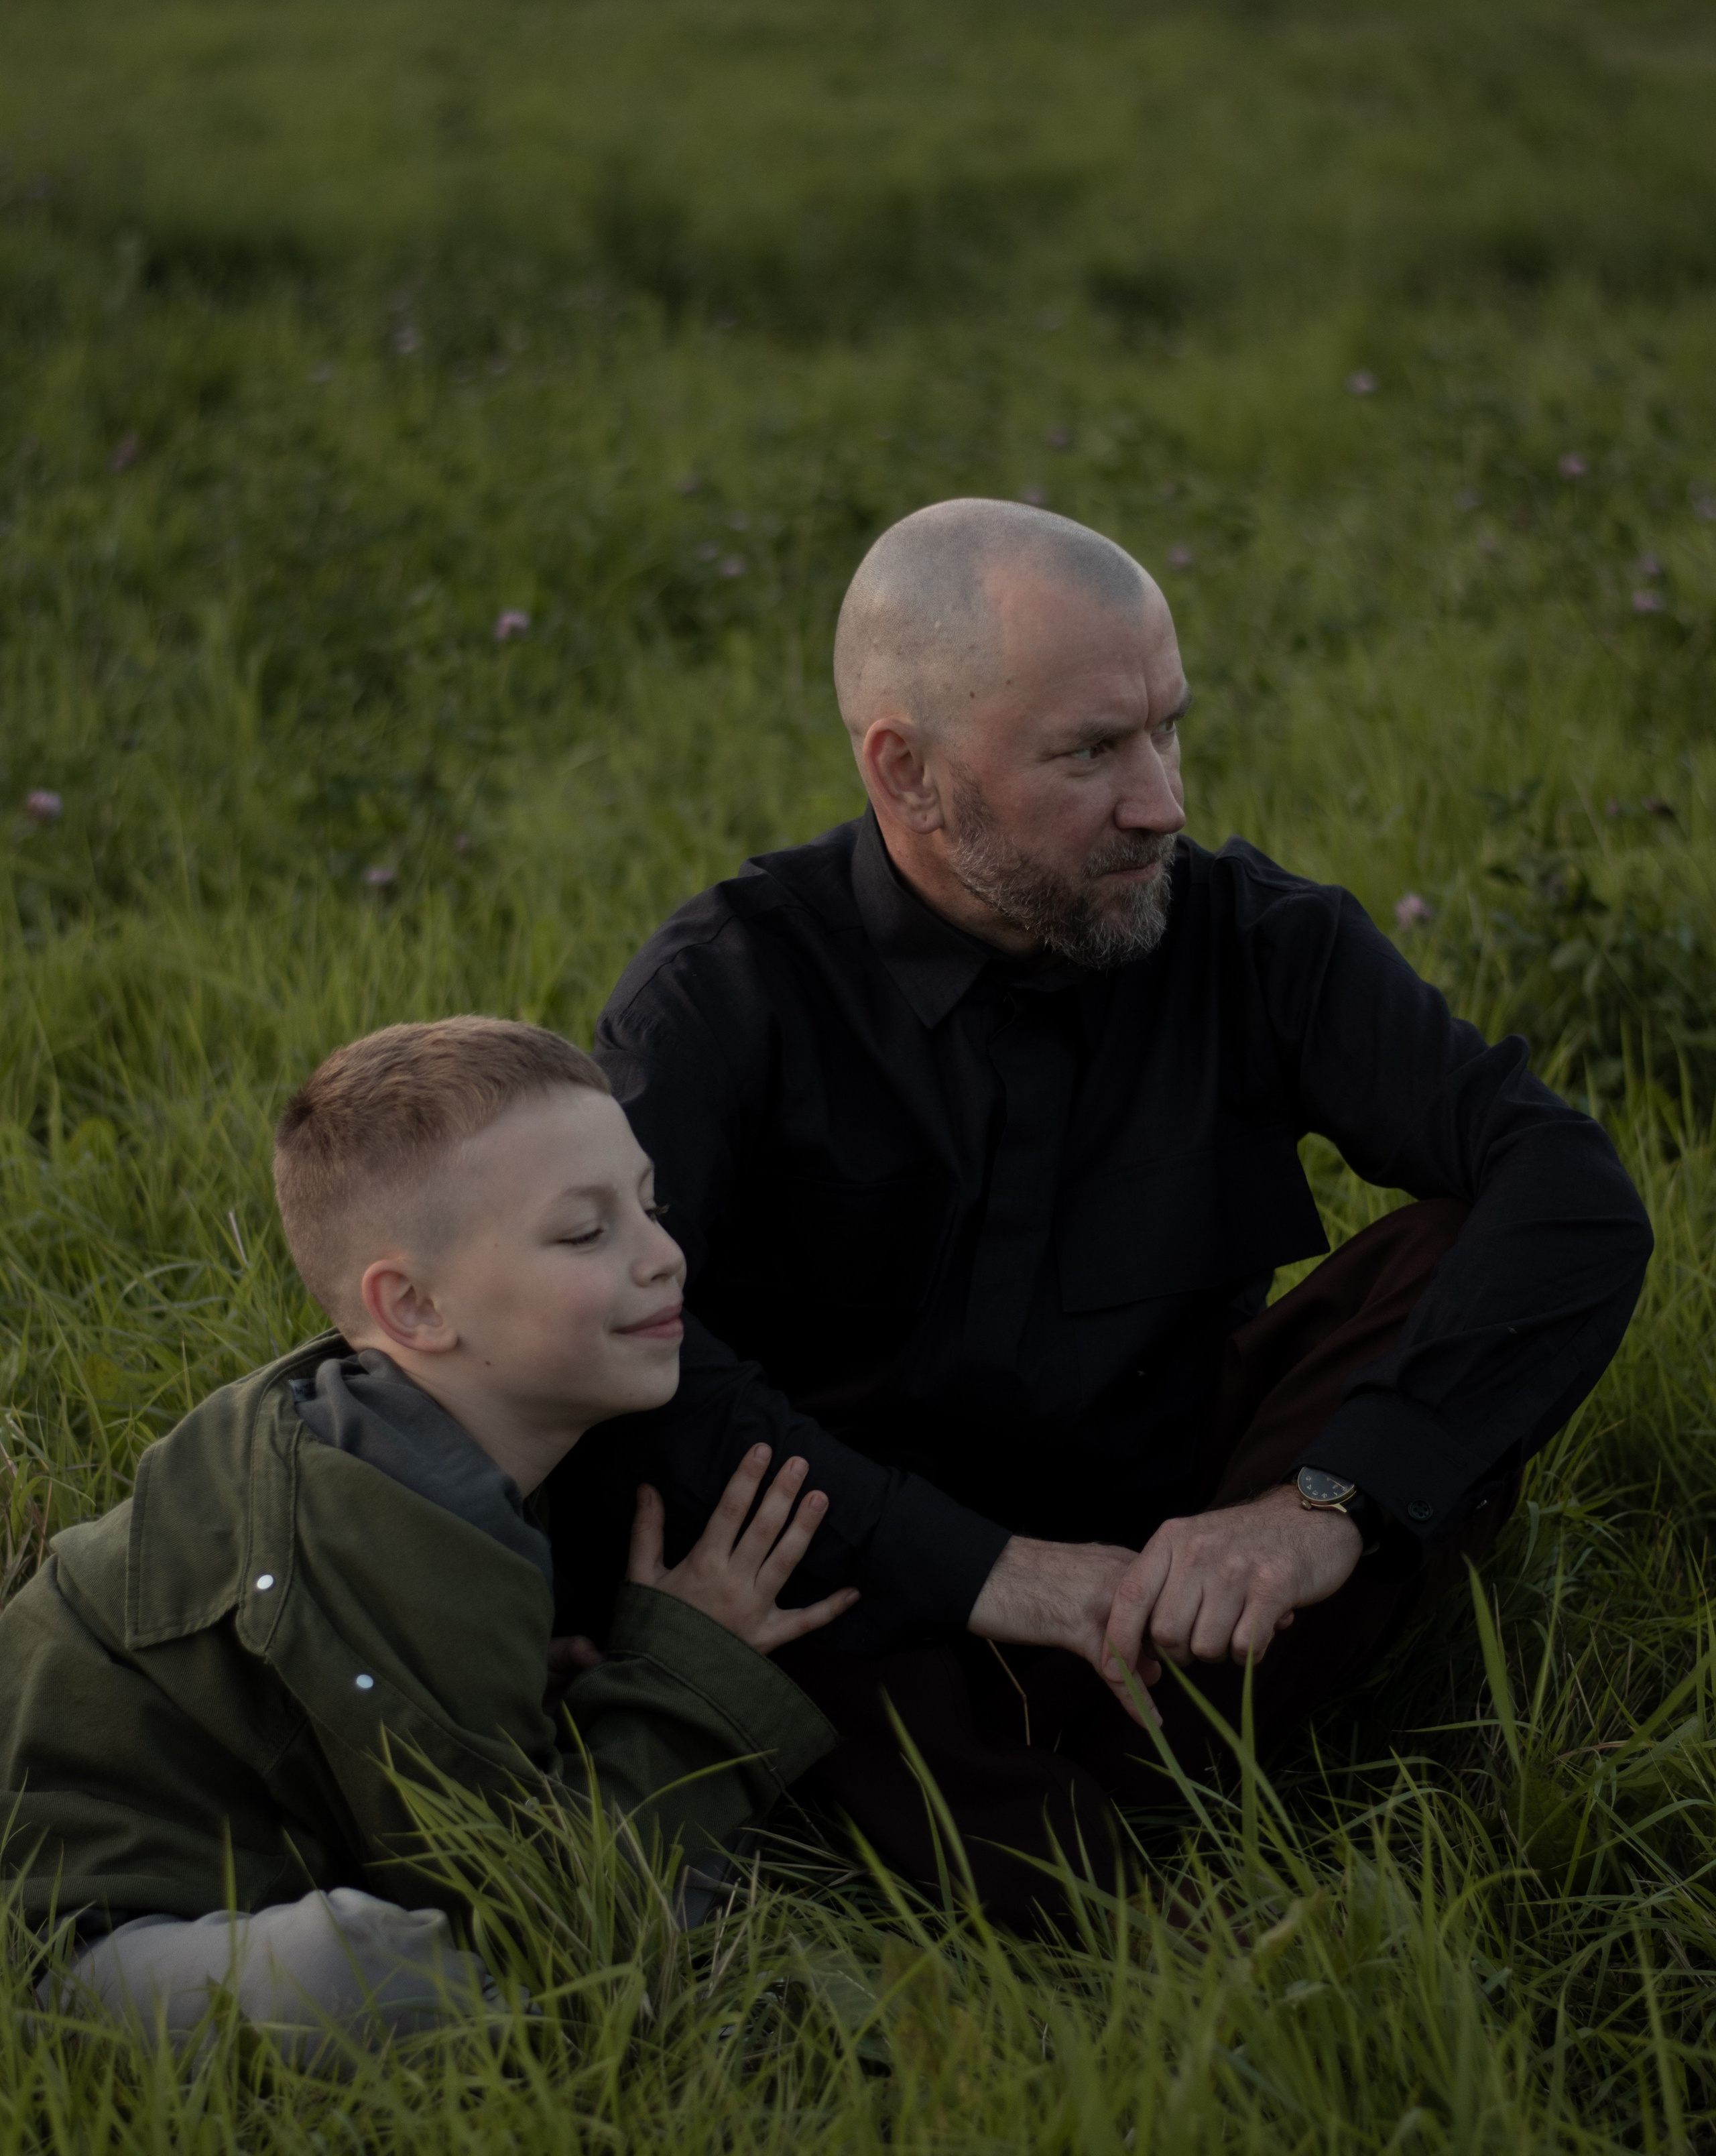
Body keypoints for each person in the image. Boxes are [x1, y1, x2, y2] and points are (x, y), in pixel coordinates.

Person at [555, 496, 1654, 1929]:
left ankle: (1041, 1814)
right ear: (907, 772)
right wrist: (983, 1574)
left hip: (1183, 1562)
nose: (1162, 802)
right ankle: (1097, 1858)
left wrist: (1322, 1509)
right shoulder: (727, 992)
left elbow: (1571, 1191)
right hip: (870, 1582)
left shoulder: (1255, 942)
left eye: (1166, 730)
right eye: (1089, 753)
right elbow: (618, 1343)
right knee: (669, 1445)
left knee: (1467, 1250)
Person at [0, 1016, 851, 2051]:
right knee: (376, 1975)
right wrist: (691, 1679)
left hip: (240, 1854)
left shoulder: (419, 1443)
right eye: (586, 1233)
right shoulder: (371, 1516)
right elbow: (532, 1909)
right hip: (75, 1927)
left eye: (650, 1204)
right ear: (412, 1305)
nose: (666, 1256)